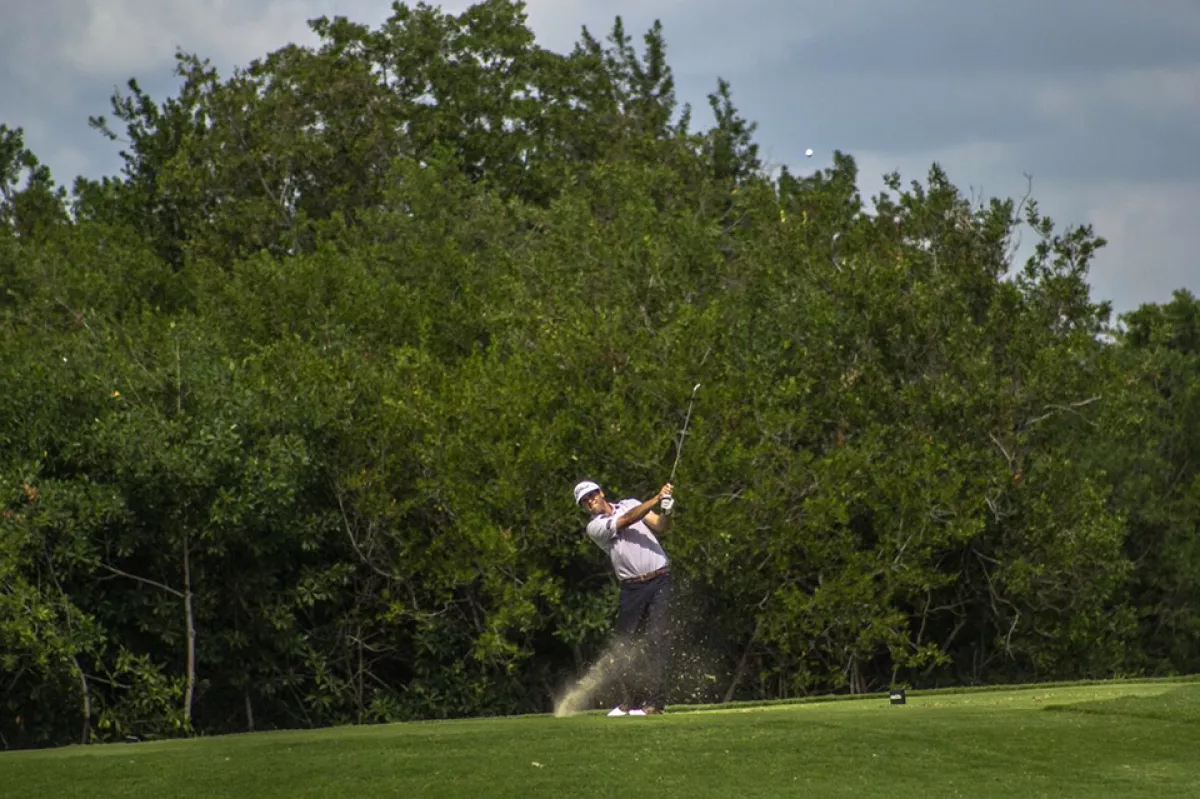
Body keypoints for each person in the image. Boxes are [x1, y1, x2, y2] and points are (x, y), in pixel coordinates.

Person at [573, 478, 675, 716]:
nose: (590, 501)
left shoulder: (631, 503)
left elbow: (661, 526)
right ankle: (632, 701)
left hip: (660, 579)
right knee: (625, 646)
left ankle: (655, 703)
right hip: (632, 589)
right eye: (585, 501)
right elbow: (628, 520)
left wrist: (667, 510)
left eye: (591, 495)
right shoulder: (595, 527)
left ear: (601, 492)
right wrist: (656, 498)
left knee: (657, 639)